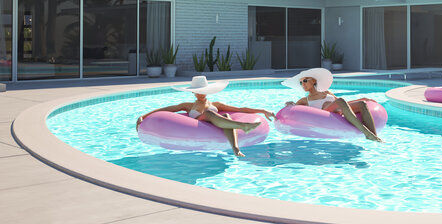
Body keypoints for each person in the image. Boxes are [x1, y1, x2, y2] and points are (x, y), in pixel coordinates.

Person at [136, 75, 275, 157]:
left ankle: (236, 148)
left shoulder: (216, 104)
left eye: (203, 91)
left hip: (215, 125)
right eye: (198, 92)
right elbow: (167, 110)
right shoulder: (188, 106)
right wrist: (144, 116)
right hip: (198, 126)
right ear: (193, 93)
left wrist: (262, 111)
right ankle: (242, 126)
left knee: (226, 114)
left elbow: (240, 109)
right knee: (209, 113)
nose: (201, 94)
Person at [283, 67, 382, 142]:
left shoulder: (327, 92)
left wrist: (362, 99)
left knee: (362, 104)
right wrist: (290, 103)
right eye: (301, 83)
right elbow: (295, 111)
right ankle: (366, 133)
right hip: (324, 115)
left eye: (305, 81)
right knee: (340, 101)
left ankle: (374, 136)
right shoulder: (304, 100)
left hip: (338, 111)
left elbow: (343, 104)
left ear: (313, 81)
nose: (303, 84)